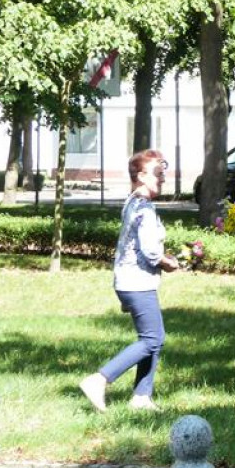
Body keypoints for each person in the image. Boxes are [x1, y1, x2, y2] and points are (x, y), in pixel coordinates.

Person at [80, 150, 178, 412]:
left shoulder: (132, 201)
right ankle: (99, 379)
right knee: (152, 339)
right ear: (142, 176)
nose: (163, 179)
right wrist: (168, 262)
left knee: (153, 336)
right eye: (159, 174)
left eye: (163, 174)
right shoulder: (144, 208)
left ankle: (141, 398)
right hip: (137, 282)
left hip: (127, 281)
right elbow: (151, 252)